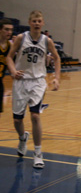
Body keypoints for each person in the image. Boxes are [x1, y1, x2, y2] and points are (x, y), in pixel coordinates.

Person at [6, 10, 61, 169]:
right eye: (34, 21)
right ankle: (23, 138)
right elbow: (9, 56)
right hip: (21, 81)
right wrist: (12, 70)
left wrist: (56, 77)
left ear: (43, 23)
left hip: (37, 81)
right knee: (17, 119)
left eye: (39, 21)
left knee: (35, 116)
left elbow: (56, 58)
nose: (37, 23)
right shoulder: (22, 38)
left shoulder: (46, 41)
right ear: (30, 23)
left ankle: (38, 153)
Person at [0, 19, 13, 117]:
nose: (9, 32)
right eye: (6, 29)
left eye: (11, 30)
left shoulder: (10, 46)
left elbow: (12, 65)